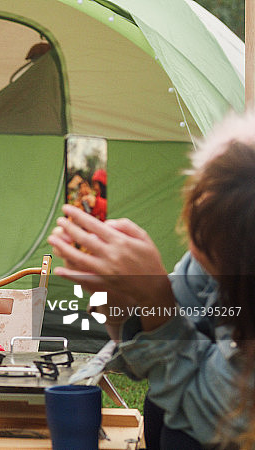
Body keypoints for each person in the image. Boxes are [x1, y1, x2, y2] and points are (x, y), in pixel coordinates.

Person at [48, 110, 255, 448]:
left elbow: (217, 418)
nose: (193, 245)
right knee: (161, 409)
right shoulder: (202, 266)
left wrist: (157, 300)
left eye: (208, 241)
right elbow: (141, 364)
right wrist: (116, 298)